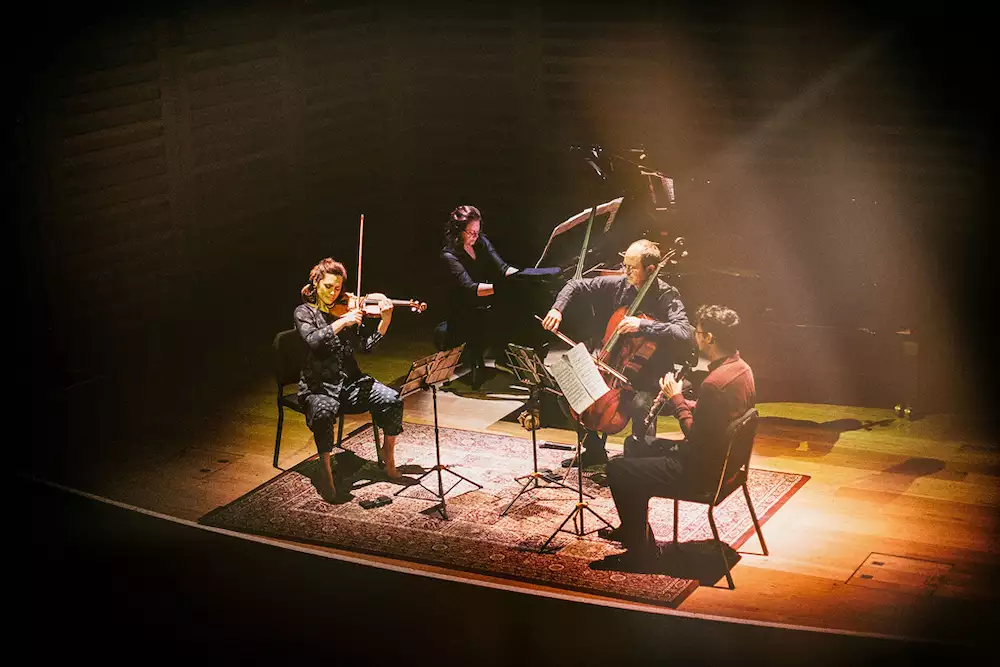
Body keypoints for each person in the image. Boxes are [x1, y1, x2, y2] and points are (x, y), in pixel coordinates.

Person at [597, 304, 756, 567]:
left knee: (618, 469)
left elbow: (695, 436)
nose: (696, 335)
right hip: (723, 460)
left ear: (709, 339)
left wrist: (678, 399)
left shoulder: (715, 384)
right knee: (634, 444)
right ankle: (633, 530)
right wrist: (684, 403)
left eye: (699, 332)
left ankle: (641, 554)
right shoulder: (742, 369)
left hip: (701, 472)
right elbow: (718, 417)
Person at [541, 238, 695, 468]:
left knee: (642, 404)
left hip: (651, 375)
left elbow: (685, 332)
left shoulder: (666, 295)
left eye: (631, 268)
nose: (625, 271)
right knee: (568, 392)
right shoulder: (621, 284)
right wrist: (557, 308)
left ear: (650, 269)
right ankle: (593, 450)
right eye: (624, 265)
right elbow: (575, 285)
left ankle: (640, 462)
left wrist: (643, 326)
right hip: (614, 367)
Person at [295, 257, 406, 503]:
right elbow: (313, 340)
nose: (333, 294)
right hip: (319, 387)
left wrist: (384, 321)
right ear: (315, 283)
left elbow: (365, 347)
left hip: (350, 384)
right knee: (324, 413)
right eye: (328, 287)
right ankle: (325, 471)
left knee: (392, 399)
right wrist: (343, 321)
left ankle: (387, 456)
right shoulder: (304, 312)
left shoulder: (347, 310)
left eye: (337, 288)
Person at [437, 205, 519, 388]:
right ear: (459, 230)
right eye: (471, 232)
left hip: (483, 301)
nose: (475, 236)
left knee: (512, 312)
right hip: (461, 308)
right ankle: (475, 361)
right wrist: (501, 288)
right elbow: (470, 287)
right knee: (479, 320)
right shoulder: (449, 255)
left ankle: (507, 359)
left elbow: (503, 268)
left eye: (477, 231)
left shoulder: (481, 241)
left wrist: (523, 277)